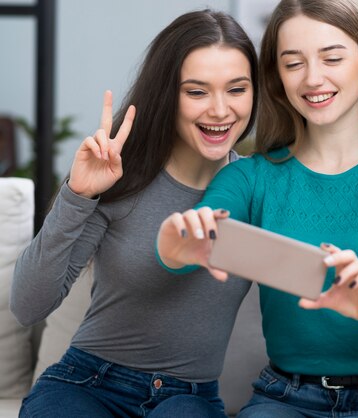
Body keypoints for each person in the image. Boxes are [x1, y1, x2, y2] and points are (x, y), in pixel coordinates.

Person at [156, 0, 358, 416]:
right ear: (277, 77)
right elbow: (193, 246)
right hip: (283, 397)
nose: (313, 79)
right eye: (293, 64)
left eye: (332, 58)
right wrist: (176, 244)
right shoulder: (249, 179)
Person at [10, 9, 258, 418]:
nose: (219, 110)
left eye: (236, 89)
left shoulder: (259, 188)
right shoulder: (120, 178)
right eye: (196, 92)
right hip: (88, 383)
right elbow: (27, 305)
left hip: (190, 400)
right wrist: (78, 194)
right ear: (167, 95)